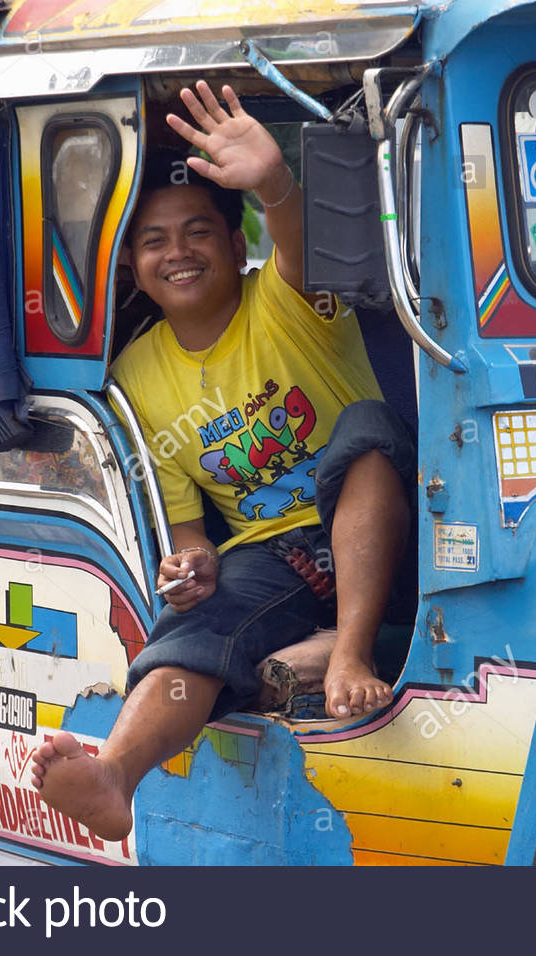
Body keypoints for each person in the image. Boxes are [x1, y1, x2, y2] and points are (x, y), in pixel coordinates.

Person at [31, 81, 414, 840]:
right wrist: (191, 567)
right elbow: (188, 532)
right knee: (196, 630)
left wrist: (273, 183)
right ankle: (114, 775)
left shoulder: (283, 298)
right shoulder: (137, 376)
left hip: (388, 523)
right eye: (154, 242)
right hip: (278, 560)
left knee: (366, 429)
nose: (178, 252)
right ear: (134, 271)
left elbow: (299, 244)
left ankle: (350, 653)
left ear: (238, 247)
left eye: (199, 231)